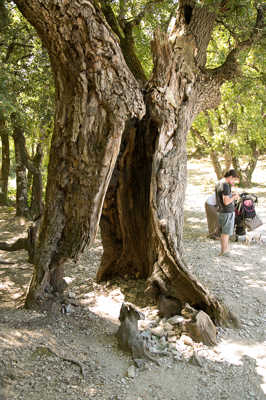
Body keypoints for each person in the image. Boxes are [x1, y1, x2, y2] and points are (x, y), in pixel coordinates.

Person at [215, 169, 239, 256]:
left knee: (223, 232)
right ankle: (224, 251)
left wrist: (230, 195)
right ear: (230, 177)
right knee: (226, 232)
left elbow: (222, 198)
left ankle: (224, 250)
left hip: (221, 211)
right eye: (234, 179)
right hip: (227, 211)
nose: (234, 182)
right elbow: (226, 202)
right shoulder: (225, 185)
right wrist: (234, 197)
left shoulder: (219, 183)